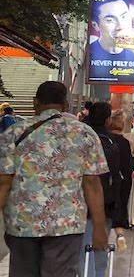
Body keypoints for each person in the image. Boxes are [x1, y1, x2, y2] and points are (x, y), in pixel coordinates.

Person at [0, 81, 109, 276]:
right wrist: (99, 229)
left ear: (35, 103)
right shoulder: (85, 133)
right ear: (66, 105)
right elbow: (92, 184)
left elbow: (3, 183)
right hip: (66, 226)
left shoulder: (13, 133)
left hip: (22, 225)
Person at [81, 102, 132, 277]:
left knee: (82, 247)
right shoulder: (119, 143)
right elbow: (124, 177)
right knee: (99, 245)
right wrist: (121, 209)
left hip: (77, 203)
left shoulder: (78, 137)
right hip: (106, 204)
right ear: (108, 120)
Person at [107, 109, 134, 251]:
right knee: (120, 205)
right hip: (124, 178)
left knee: (105, 206)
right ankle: (120, 235)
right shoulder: (129, 139)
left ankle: (104, 235)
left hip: (106, 179)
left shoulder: (103, 139)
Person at [90, 0, 134, 64]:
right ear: (95, 25)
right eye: (110, 20)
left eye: (124, 17)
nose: (120, 26)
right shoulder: (90, 53)